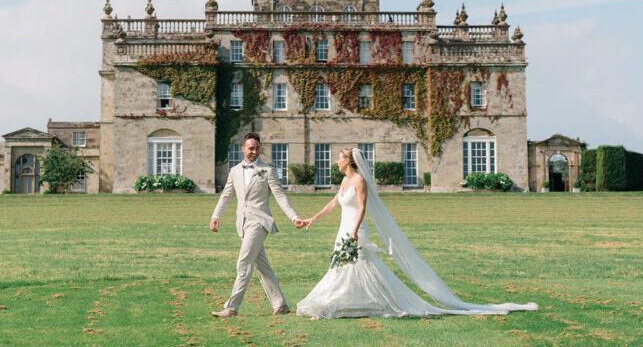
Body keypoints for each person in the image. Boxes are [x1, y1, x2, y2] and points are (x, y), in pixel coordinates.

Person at [296, 148, 538, 319]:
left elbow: (361, 208)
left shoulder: (359, 180)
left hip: (354, 230)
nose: (335, 163)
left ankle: (338, 304)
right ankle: (347, 303)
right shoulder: (345, 181)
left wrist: (355, 232)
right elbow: (334, 203)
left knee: (355, 266)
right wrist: (312, 219)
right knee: (345, 267)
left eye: (339, 159)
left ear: (348, 161)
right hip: (343, 230)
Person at [209, 132, 305, 317]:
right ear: (243, 149)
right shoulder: (235, 171)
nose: (254, 151)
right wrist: (216, 215)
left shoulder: (267, 170)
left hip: (260, 222)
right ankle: (281, 304)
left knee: (244, 262)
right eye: (251, 148)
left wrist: (294, 217)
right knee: (261, 265)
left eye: (257, 148)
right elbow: (226, 195)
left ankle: (231, 307)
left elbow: (280, 196)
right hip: (242, 224)